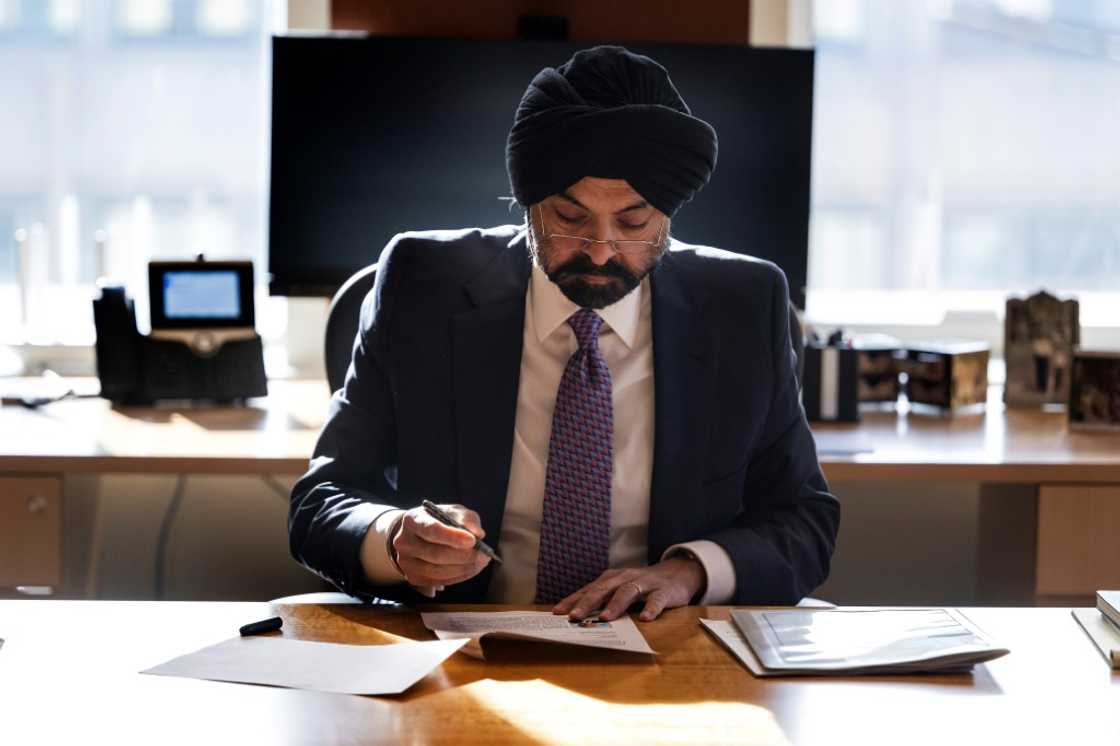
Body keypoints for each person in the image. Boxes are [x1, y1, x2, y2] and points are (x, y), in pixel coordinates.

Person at [290, 45, 839, 622]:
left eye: (633, 222)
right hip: (466, 650)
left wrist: (688, 573)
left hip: (666, 653)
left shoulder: (743, 304)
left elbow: (804, 521)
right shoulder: (422, 283)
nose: (601, 250)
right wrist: (395, 538)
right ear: (527, 203)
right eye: (570, 218)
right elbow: (320, 504)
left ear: (670, 214)